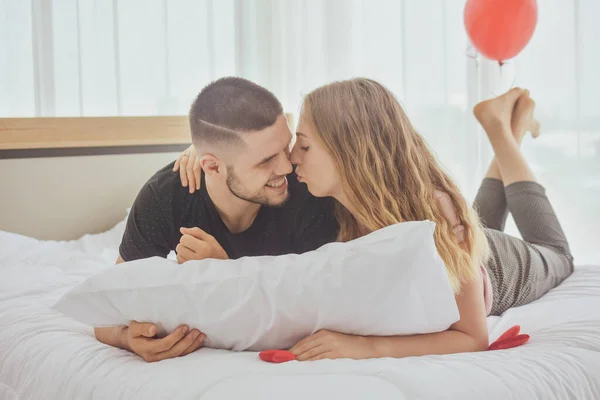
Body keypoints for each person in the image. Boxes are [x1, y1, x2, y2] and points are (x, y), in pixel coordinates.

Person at [176, 80, 574, 361]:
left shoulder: (435, 214)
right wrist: (206, 153)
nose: (292, 158)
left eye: (305, 145)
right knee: (471, 217)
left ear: (350, 153)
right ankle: (509, 128)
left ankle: (504, 131)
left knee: (557, 255)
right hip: (463, 235)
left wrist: (369, 348)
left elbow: (472, 337)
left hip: (499, 269)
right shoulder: (324, 206)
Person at [94, 77, 339, 362]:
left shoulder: (307, 192)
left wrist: (224, 273)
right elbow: (105, 311)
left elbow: (320, 312)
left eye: (287, 146)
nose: (287, 166)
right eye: (266, 160)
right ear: (211, 165)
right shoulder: (166, 197)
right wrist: (127, 338)